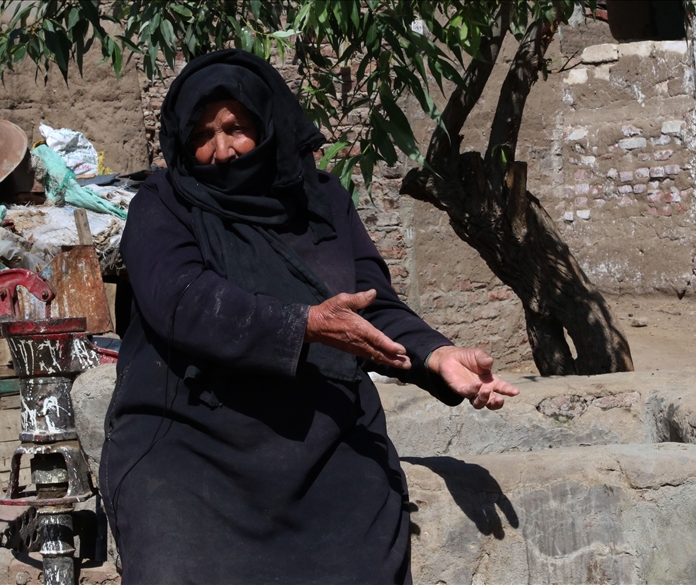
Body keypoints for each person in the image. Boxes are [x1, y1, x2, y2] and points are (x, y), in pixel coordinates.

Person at [100, 49, 519, 584]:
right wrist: (302, 326)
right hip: (189, 433)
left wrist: (435, 354)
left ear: (270, 125)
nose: (221, 151)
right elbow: (182, 299)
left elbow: (372, 305)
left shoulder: (320, 200)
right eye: (202, 134)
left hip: (322, 434)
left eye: (237, 128)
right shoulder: (163, 203)